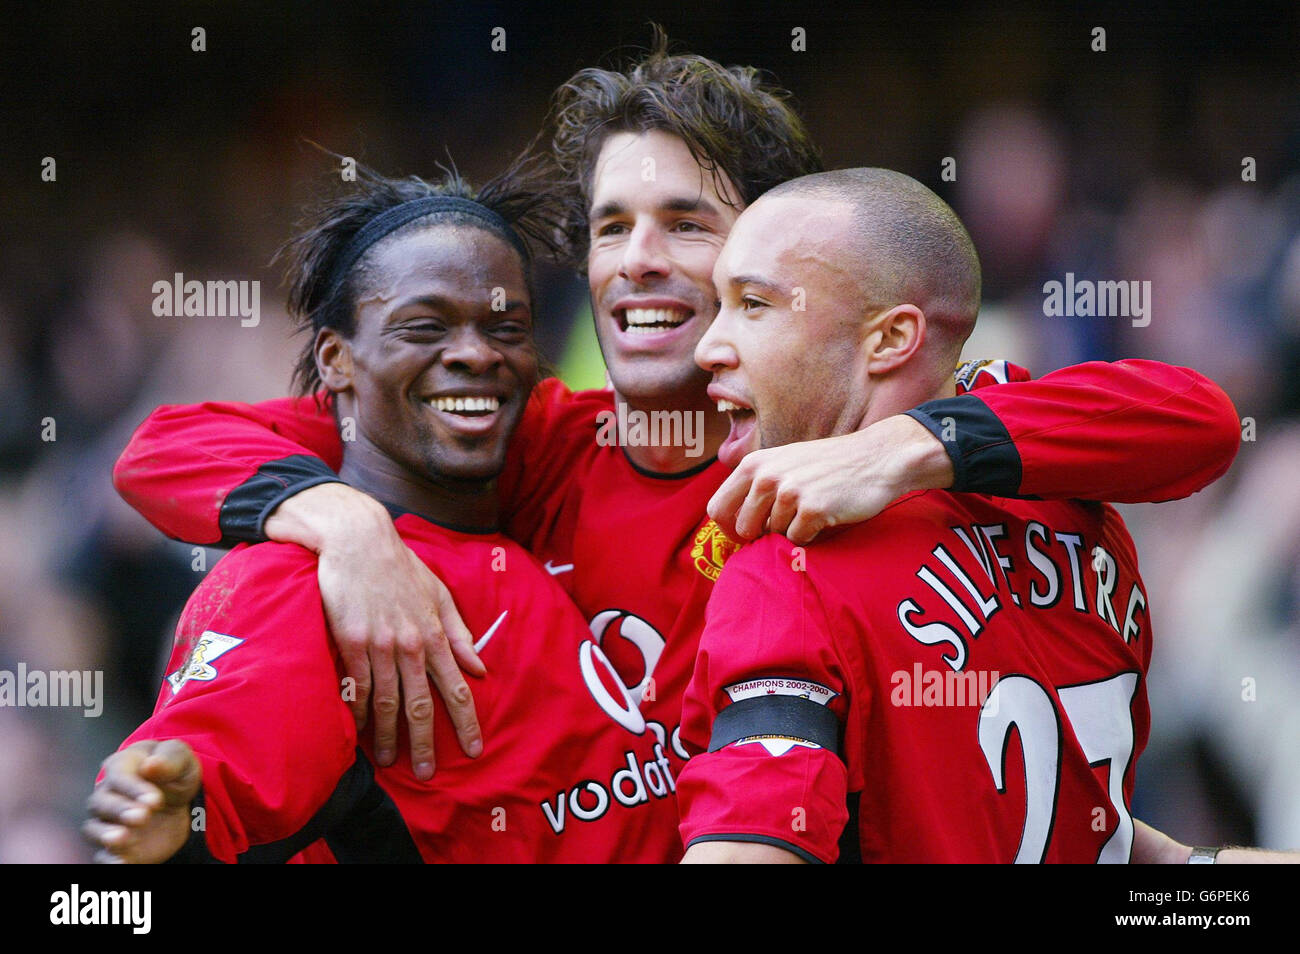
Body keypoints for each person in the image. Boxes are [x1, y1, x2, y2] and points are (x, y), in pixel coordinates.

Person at [111, 36, 1240, 797]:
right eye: (610, 227)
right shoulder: (536, 436)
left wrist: (907, 450)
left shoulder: (882, 443)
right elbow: (164, 449)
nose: (638, 264)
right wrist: (340, 524)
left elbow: (1188, 422)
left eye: (685, 224)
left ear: (772, 249)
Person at [84, 166, 680, 863]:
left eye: (506, 327)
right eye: (424, 327)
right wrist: (177, 806)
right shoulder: (307, 577)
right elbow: (225, 748)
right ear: (336, 359)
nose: (474, 353)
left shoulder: (551, 458)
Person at [677, 168, 1181, 862]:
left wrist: (898, 449)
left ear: (889, 340)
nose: (708, 347)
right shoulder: (1079, 507)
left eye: (754, 304)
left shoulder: (792, 566)